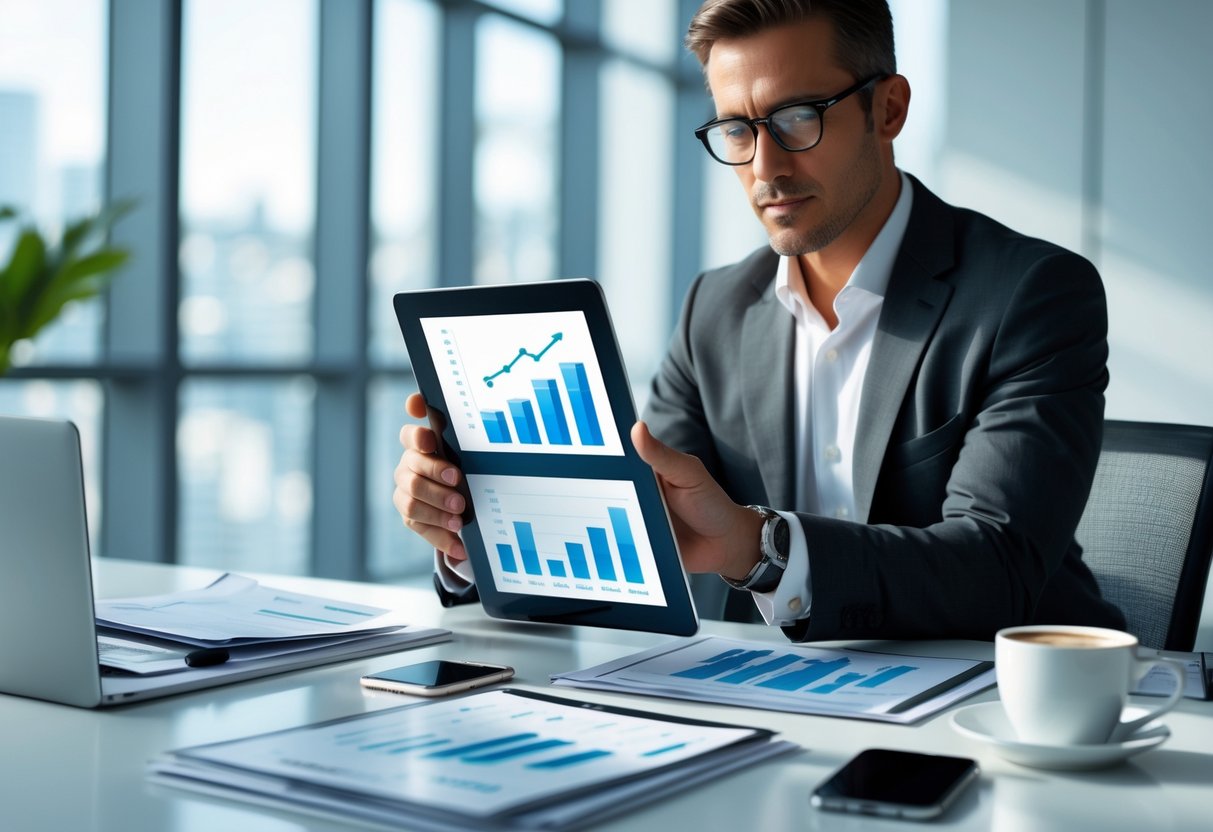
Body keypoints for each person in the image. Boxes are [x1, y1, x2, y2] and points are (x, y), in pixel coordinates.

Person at [394, 0, 1125, 641]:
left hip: (998, 697)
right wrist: (472, 536)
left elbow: (995, 566)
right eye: (737, 130)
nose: (765, 167)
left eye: (797, 117)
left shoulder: (1029, 293)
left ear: (888, 109)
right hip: (779, 692)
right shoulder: (714, 309)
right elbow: (647, 532)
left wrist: (761, 548)